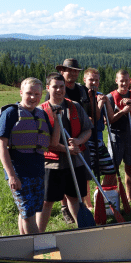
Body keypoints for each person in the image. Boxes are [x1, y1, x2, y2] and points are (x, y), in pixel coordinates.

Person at [0, 78, 60, 235]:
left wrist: (57, 119)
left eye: (37, 94)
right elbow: (1, 145)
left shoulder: (42, 114)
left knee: (26, 212)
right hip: (19, 172)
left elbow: (53, 143)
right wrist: (11, 175)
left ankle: (25, 245)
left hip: (37, 170)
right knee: (29, 216)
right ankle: (40, 251)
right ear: (21, 93)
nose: (33, 97)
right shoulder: (10, 113)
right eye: (29, 93)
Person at [39, 73, 92, 232]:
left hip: (74, 162)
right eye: (55, 86)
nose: (59, 90)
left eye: (62, 86)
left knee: (75, 198)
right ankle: (38, 234)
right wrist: (66, 149)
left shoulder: (74, 106)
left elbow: (87, 129)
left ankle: (82, 230)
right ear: (48, 88)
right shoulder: (41, 111)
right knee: (47, 201)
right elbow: (44, 142)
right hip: (52, 164)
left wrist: (79, 141)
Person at [106, 69, 131, 204]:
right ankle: (112, 196)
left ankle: (128, 197)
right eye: (122, 80)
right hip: (115, 137)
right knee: (113, 169)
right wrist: (122, 112)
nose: (124, 83)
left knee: (129, 167)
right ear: (116, 81)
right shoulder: (110, 97)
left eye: (127, 80)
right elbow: (108, 120)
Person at [83, 68, 116, 209]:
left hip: (98, 139)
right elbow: (92, 119)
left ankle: (100, 195)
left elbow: (111, 117)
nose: (94, 83)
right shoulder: (81, 96)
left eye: (96, 80)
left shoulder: (102, 95)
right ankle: (88, 204)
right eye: (91, 79)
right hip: (85, 139)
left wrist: (106, 102)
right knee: (87, 174)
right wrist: (99, 104)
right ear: (84, 80)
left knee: (110, 169)